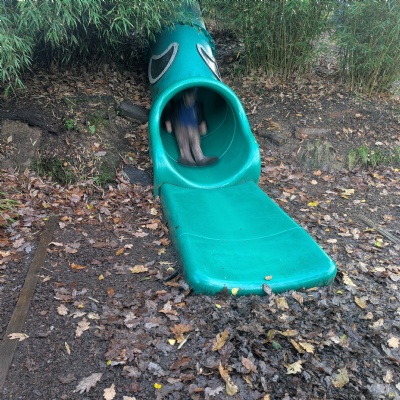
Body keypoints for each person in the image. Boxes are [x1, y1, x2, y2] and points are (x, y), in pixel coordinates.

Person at [165, 88, 218, 166]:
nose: (191, 99)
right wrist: (168, 123)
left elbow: (200, 116)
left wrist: (202, 125)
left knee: (196, 143)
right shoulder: (178, 104)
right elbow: (170, 113)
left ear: (195, 97)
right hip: (180, 126)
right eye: (189, 97)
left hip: (194, 127)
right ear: (184, 97)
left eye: (193, 97)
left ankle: (200, 158)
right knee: (184, 143)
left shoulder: (197, 105)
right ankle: (186, 158)